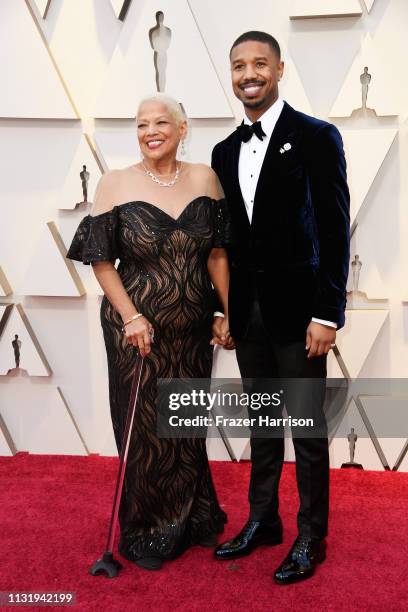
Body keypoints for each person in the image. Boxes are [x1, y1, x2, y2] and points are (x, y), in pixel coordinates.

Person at [66, 94, 231, 570]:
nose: (150, 131)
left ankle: (193, 517)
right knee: (144, 431)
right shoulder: (115, 183)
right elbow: (100, 260)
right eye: (141, 124)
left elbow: (217, 254)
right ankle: (147, 527)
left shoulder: (205, 177)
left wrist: (227, 312)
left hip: (194, 327)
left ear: (183, 128)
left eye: (161, 122)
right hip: (136, 326)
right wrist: (132, 316)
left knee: (186, 423)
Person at [211, 31, 350, 584]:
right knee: (263, 426)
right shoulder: (224, 151)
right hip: (249, 316)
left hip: (300, 314)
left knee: (307, 430)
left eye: (260, 64)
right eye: (240, 65)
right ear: (232, 74)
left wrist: (327, 313)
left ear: (279, 69)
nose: (250, 73)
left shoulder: (316, 136)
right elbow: (225, 244)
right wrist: (224, 312)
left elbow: (336, 228)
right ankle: (263, 520)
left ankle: (311, 535)